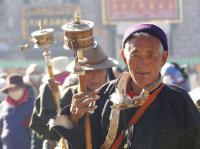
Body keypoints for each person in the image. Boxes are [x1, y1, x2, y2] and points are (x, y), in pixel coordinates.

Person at [50, 24, 200, 149]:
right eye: (135, 55)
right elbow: (88, 144)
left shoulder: (179, 101)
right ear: (124, 56)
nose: (143, 64)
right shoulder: (102, 96)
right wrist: (76, 121)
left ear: (163, 58)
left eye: (150, 55)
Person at [29, 43, 118, 149]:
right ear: (79, 73)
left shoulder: (117, 95)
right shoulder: (70, 94)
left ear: (106, 71)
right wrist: (73, 119)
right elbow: (52, 134)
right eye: (89, 71)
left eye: (100, 70)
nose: (95, 77)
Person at [29, 56, 70, 149]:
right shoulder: (46, 91)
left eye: (65, 74)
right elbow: (40, 121)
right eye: (59, 74)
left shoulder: (74, 89)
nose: (62, 77)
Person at [0, 74, 34, 149]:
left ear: (23, 88)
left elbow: (38, 131)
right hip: (7, 146)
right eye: (11, 89)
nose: (14, 91)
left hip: (27, 146)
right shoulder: (3, 105)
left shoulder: (33, 104)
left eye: (17, 88)